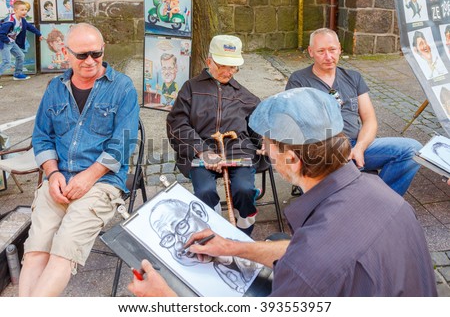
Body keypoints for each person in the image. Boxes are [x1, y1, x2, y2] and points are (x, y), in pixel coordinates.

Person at [129, 87, 437, 297]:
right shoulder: (379, 190)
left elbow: (309, 262)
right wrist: (234, 247)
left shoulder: (309, 268)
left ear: (291, 160)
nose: (263, 150)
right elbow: (303, 251)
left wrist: (165, 298)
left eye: (267, 146)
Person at [18, 23, 140, 297]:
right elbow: (41, 137)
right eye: (82, 55)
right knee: (36, 249)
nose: (90, 61)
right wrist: (52, 173)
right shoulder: (55, 88)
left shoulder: (121, 88)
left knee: (63, 251)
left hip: (101, 181)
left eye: (96, 54)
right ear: (66, 53)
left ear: (103, 50)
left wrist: (89, 177)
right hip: (59, 180)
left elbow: (123, 144)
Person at [286, 28, 422, 196]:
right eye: (321, 51)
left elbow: (370, 119)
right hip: (323, 151)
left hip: (356, 146)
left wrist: (359, 147)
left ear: (340, 49)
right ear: (310, 52)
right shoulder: (299, 80)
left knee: (413, 150)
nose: (328, 57)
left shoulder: (353, 77)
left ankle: (383, 201)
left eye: (332, 50)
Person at [166, 35, 261, 236]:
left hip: (237, 152)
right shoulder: (191, 88)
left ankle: (243, 231)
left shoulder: (246, 97)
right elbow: (177, 124)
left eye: (233, 67)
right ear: (209, 61)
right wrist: (203, 151)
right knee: (205, 192)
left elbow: (259, 129)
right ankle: (213, 228)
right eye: (222, 66)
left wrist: (266, 143)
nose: (228, 72)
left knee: (244, 190)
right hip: (202, 152)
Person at [0, 0, 43, 89]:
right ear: (15, 10)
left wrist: (39, 34)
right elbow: (1, 34)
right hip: (4, 42)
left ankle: (17, 74)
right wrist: (8, 40)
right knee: (6, 62)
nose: (25, 12)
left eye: (26, 9)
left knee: (20, 56)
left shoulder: (22, 20)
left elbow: (29, 27)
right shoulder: (9, 21)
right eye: (22, 10)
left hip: (11, 42)